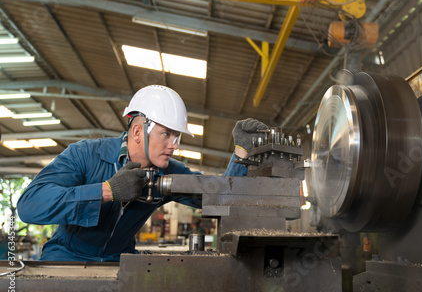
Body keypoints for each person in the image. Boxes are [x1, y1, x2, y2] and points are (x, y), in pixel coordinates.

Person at [17, 85, 268, 262]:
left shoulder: (167, 172)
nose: (175, 144)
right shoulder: (85, 155)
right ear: (138, 132)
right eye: (166, 134)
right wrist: (106, 191)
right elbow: (29, 206)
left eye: (177, 136)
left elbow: (220, 196)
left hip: (120, 263)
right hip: (65, 259)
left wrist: (242, 154)